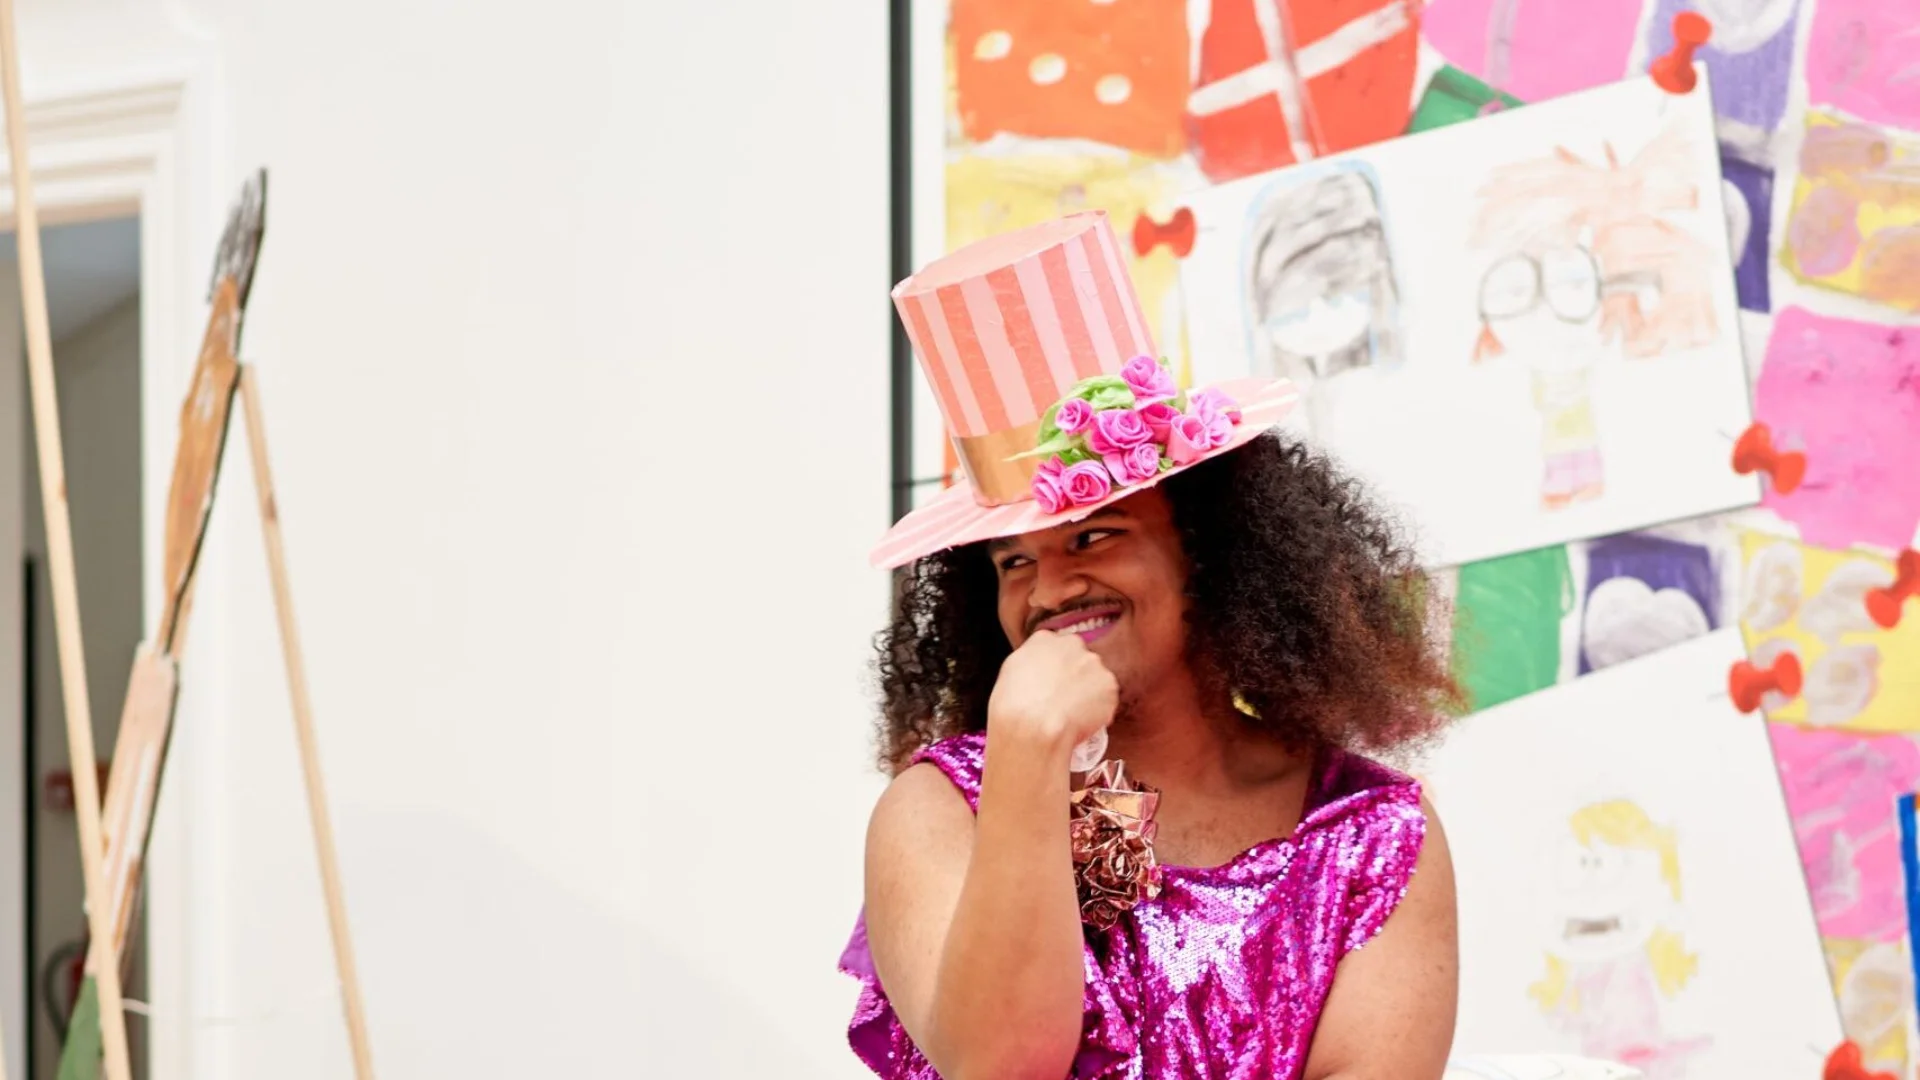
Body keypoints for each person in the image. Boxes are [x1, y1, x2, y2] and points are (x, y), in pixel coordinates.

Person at [843, 211, 1462, 1080]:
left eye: (1095, 537)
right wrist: (1028, 755)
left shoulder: (1370, 834)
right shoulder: (939, 811)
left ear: (1207, 551)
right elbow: (999, 1069)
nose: (1049, 590)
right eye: (1014, 559)